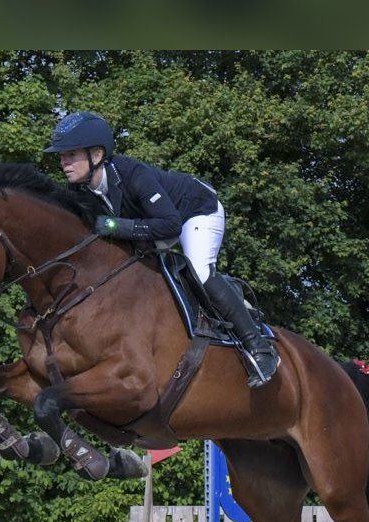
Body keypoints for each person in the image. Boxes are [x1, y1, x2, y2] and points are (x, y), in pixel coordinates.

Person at [44, 111, 280, 387]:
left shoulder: (133, 174)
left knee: (200, 271)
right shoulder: (79, 192)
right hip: (154, 227)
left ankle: (260, 347)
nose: (63, 161)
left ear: (96, 155)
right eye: (61, 155)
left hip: (194, 211)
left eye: (70, 154)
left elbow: (170, 226)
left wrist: (113, 226)